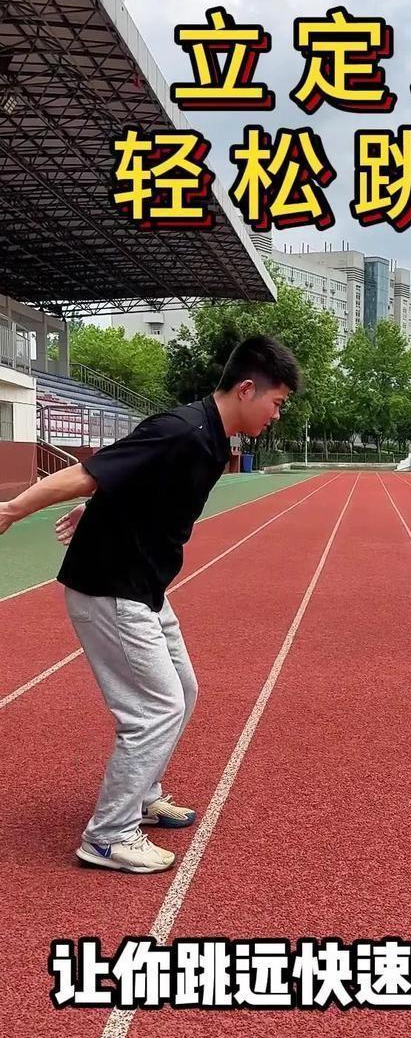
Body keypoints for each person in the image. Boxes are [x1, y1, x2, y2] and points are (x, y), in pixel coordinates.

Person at [0, 334, 302, 874]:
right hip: (111, 585)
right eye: (276, 402)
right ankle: (108, 836)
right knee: (155, 709)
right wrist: (11, 511)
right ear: (247, 389)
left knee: (183, 691)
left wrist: (100, 509)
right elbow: (89, 472)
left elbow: (137, 482)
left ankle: (142, 796)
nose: (277, 415)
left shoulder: (213, 439)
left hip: (144, 585)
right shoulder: (181, 430)